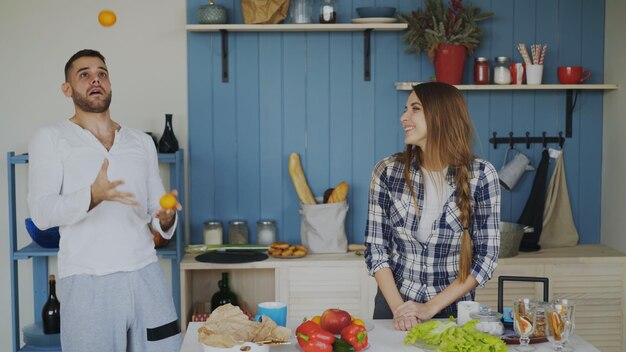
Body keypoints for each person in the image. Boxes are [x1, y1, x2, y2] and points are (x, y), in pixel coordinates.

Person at [27, 49, 182, 351]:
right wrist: (91, 196)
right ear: (67, 89)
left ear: (110, 84)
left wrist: (165, 219)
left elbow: (156, 213)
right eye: (84, 74)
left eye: (102, 73)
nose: (95, 79)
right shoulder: (50, 137)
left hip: (146, 275)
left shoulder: (140, 142)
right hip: (87, 282)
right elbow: (41, 213)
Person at [364, 82, 501, 331]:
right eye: (405, 109)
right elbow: (376, 250)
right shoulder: (387, 171)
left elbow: (486, 259)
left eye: (415, 109)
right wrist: (400, 310)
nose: (404, 117)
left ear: (442, 115)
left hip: (451, 312)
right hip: (393, 308)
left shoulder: (481, 175)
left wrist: (429, 308)